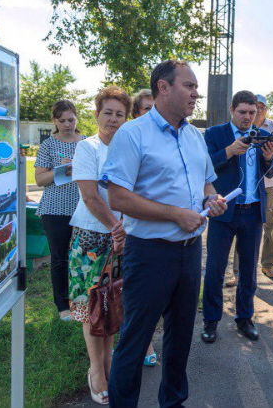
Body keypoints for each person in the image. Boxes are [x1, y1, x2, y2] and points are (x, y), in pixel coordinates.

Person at [103, 60, 227, 408]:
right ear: (163, 87)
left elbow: (206, 181)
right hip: (149, 253)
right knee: (134, 339)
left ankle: (173, 401)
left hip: (189, 252)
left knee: (180, 336)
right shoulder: (133, 134)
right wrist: (175, 214)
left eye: (195, 87)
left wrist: (210, 199)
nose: (196, 94)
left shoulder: (193, 135)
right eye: (189, 86)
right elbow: (117, 195)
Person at [68, 86, 131, 405]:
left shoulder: (129, 148)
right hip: (92, 237)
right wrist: (115, 226)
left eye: (120, 114)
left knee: (113, 301)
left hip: (124, 236)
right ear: (96, 114)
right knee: (92, 306)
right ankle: (96, 370)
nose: (113, 119)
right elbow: (90, 196)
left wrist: (123, 230)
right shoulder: (87, 148)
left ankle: (108, 363)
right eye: (108, 112)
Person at [201, 90, 273, 343]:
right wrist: (230, 151)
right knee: (215, 269)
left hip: (252, 211)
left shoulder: (263, 135)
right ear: (232, 110)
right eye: (242, 112)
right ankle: (211, 321)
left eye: (252, 113)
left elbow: (271, 170)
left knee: (248, 270)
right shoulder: (215, 134)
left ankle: (245, 318)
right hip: (224, 211)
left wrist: (268, 158)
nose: (247, 117)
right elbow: (205, 166)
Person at [229, 94, 273, 283]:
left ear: (266, 109)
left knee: (270, 226)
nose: (259, 110)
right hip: (248, 185)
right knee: (243, 227)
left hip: (270, 185)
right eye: (256, 107)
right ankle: (239, 271)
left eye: (262, 107)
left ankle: (268, 265)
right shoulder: (242, 127)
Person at [34, 100, 85, 320]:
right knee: (60, 258)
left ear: (77, 118)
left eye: (70, 119)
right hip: (54, 210)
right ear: (54, 121)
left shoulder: (86, 143)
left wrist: (78, 166)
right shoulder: (48, 145)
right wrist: (61, 170)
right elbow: (39, 179)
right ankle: (63, 305)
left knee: (82, 256)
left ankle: (82, 301)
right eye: (61, 120)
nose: (67, 124)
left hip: (84, 208)